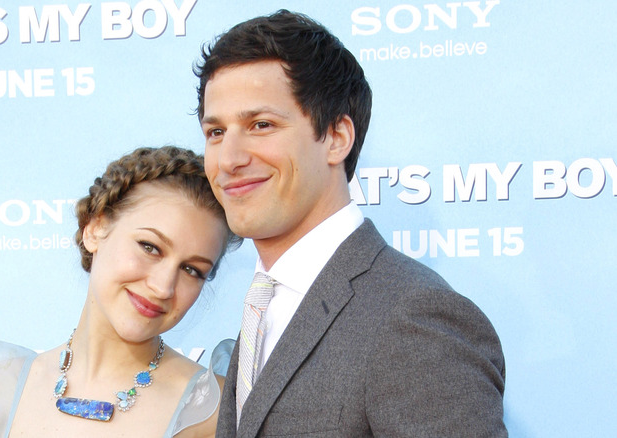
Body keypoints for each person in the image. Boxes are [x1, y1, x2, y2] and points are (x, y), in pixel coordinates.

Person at [195, 10, 507, 437]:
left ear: (338, 138)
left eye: (261, 125)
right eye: (215, 133)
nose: (229, 159)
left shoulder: (413, 317)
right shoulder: (263, 303)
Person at [0, 146, 241, 437]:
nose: (163, 286)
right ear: (94, 229)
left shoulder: (210, 411)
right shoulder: (3, 388)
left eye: (192, 270)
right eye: (150, 248)